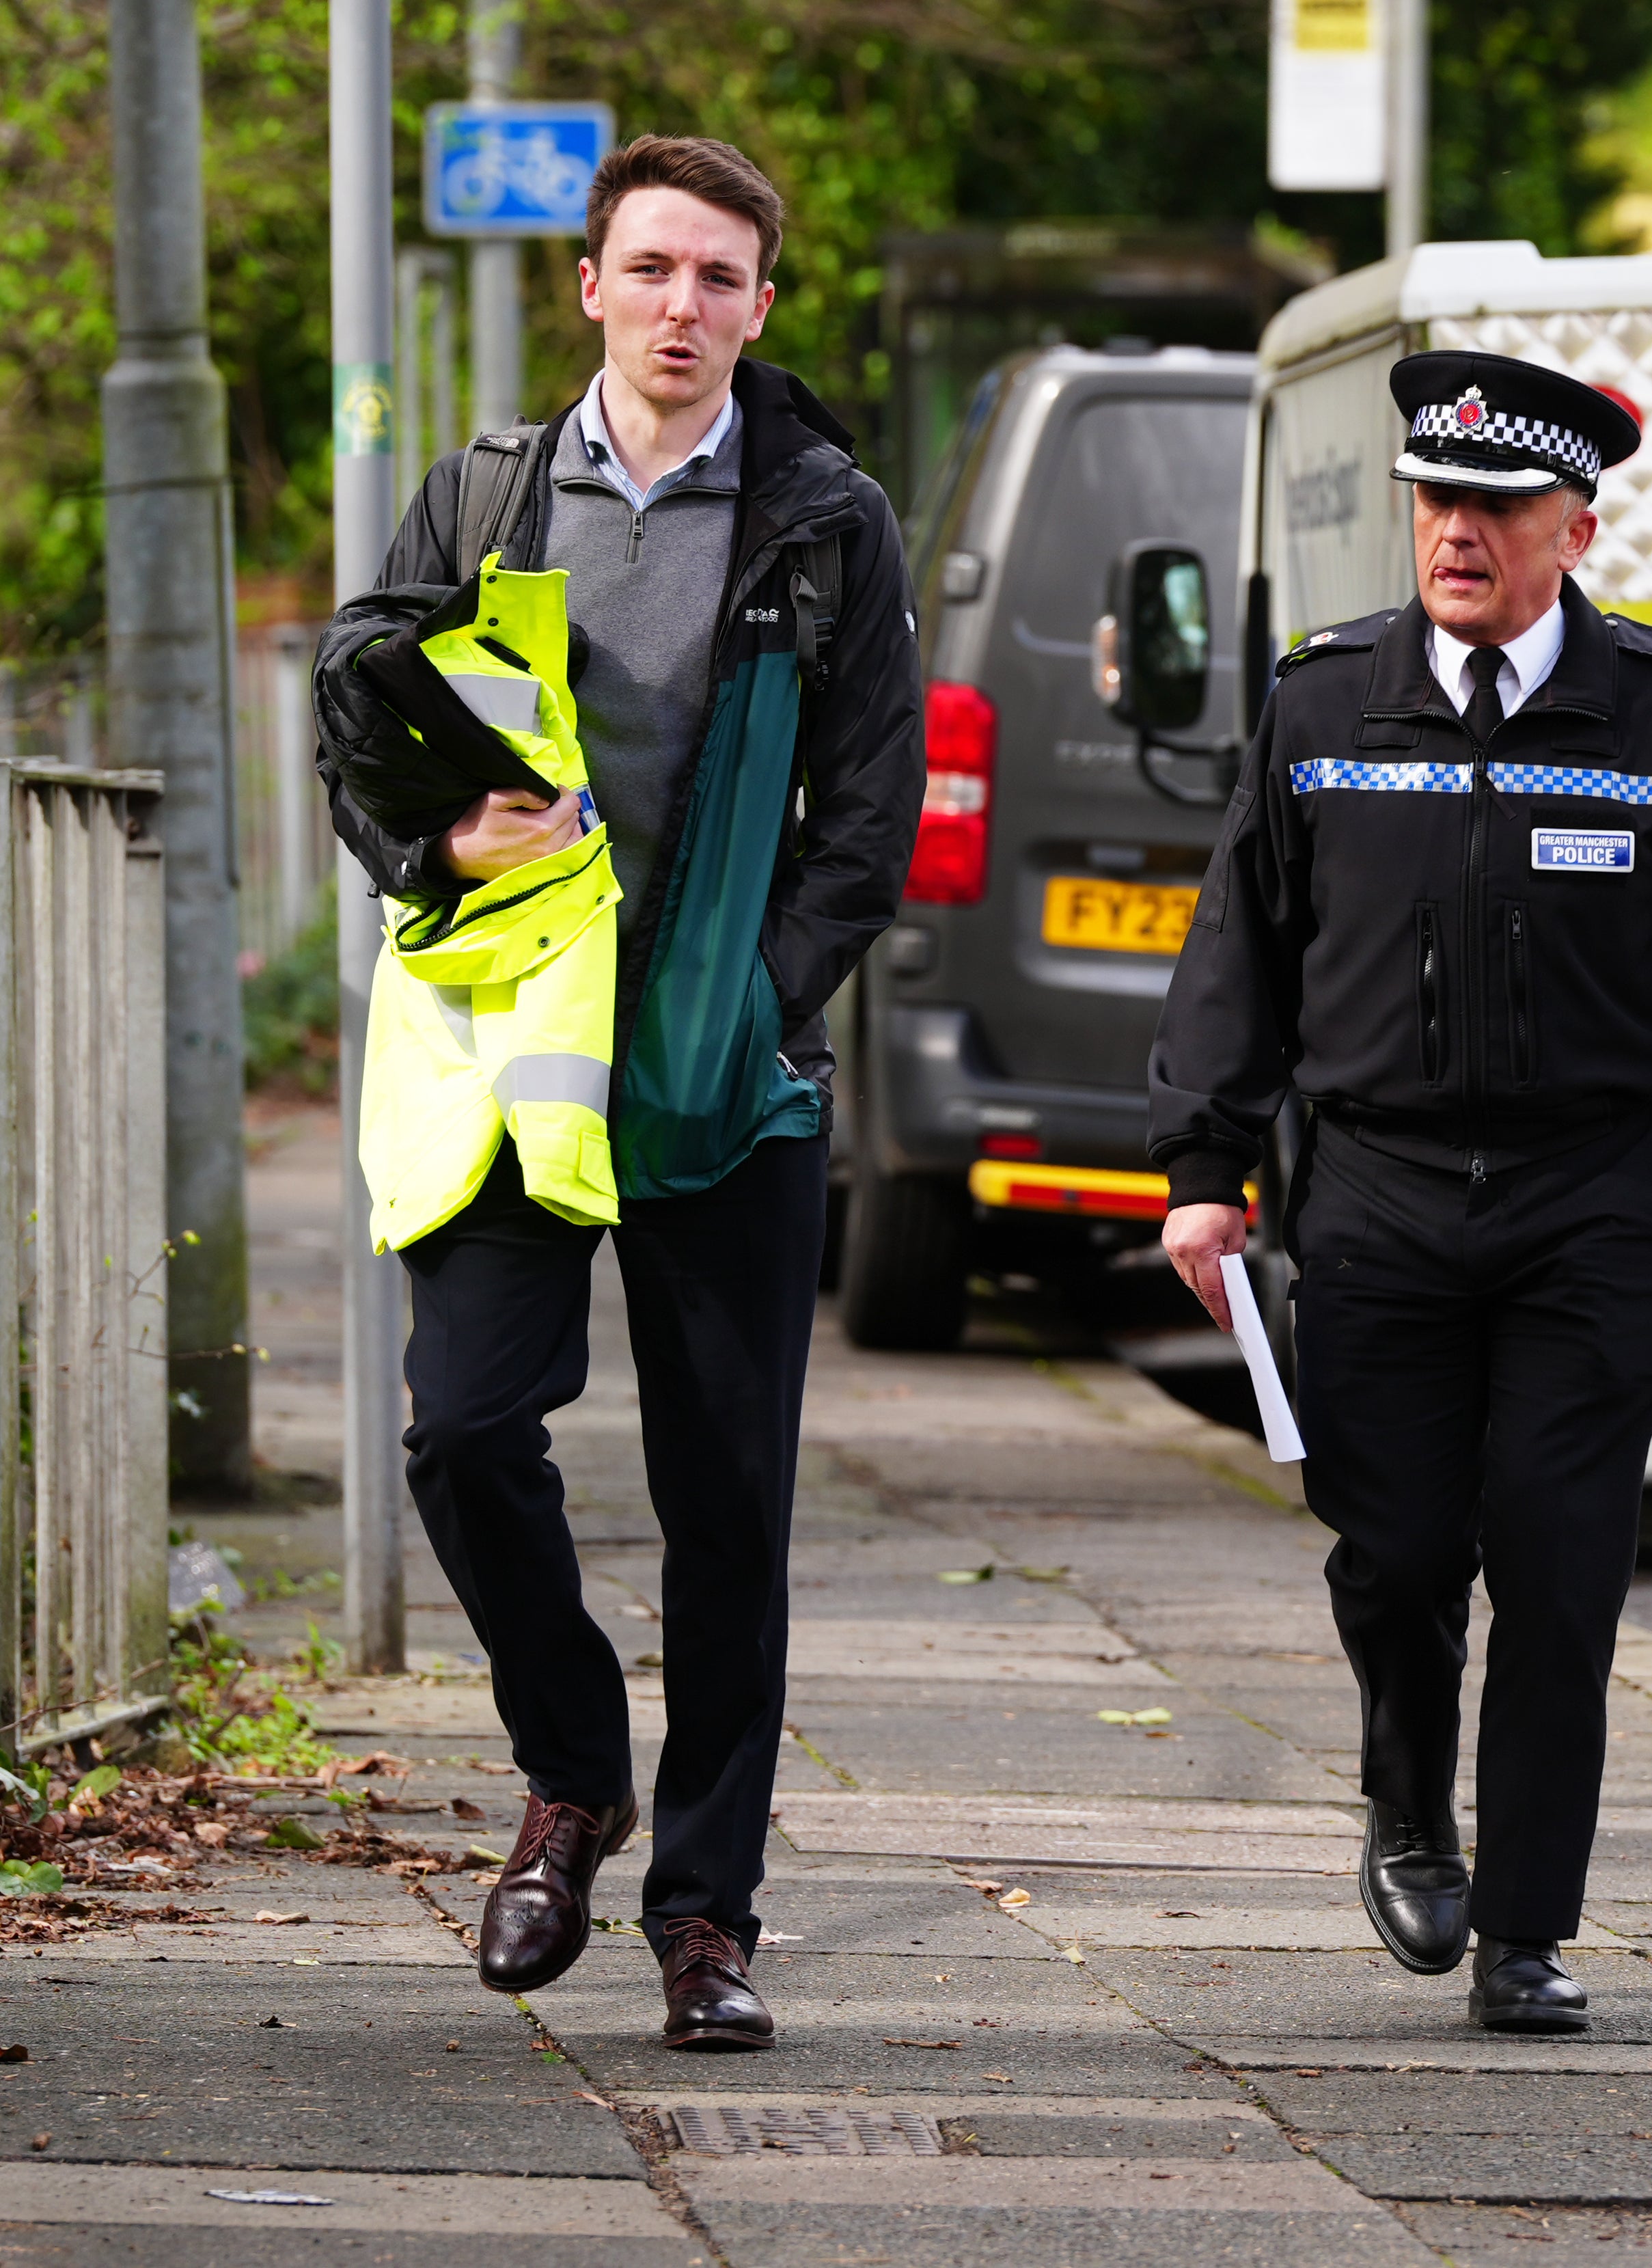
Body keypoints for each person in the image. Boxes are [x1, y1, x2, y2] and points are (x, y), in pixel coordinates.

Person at [1150, 351, 1652, 2034]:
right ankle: (1406, 1803)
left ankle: (1528, 1926)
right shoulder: (1324, 703)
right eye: (1435, 502)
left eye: (1495, 508)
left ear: (1572, 528)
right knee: (1391, 1556)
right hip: (1376, 1193)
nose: (1455, 533)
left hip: (1582, 1196)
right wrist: (1204, 1168)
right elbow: (1237, 947)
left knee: (1555, 1568)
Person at [312, 135, 923, 2050]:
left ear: (761, 305)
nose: (681, 307)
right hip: (516, 1056)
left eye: (718, 279)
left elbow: (873, 817)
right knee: (462, 1432)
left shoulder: (829, 519)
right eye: (650, 269)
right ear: (591, 283)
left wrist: (755, 1008)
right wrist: (440, 856)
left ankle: (708, 1916)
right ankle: (574, 1774)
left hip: (720, 1085)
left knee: (727, 1497)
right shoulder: (491, 491)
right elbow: (362, 714)